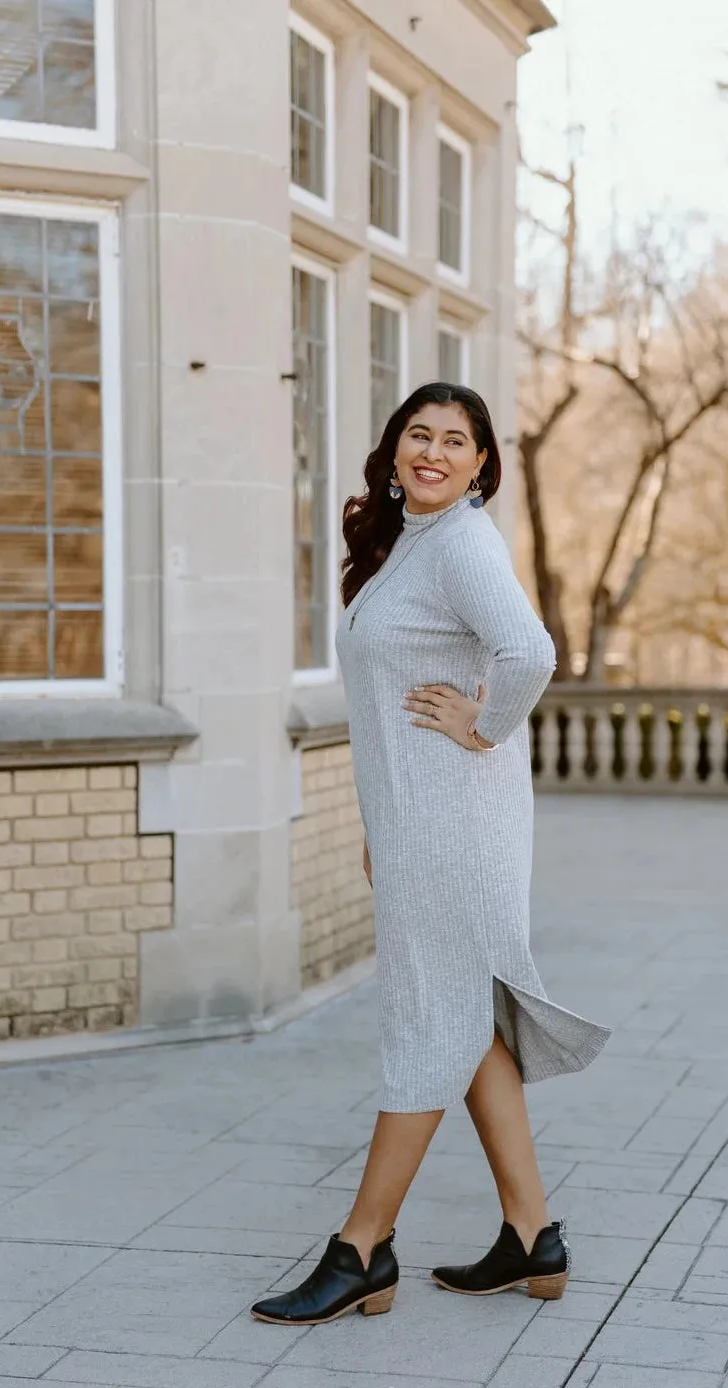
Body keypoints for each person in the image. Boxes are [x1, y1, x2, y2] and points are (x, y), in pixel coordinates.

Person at [251, 383, 610, 1326]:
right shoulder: (408, 539)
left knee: (425, 1019)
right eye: (420, 435)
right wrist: (384, 823)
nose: (435, 453)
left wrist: (485, 727)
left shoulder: (461, 543)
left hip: (457, 819)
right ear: (397, 446)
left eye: (457, 441)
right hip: (420, 821)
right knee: (467, 1017)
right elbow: (384, 708)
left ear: (484, 463)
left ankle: (361, 1248)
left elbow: (528, 652)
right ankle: (533, 1238)